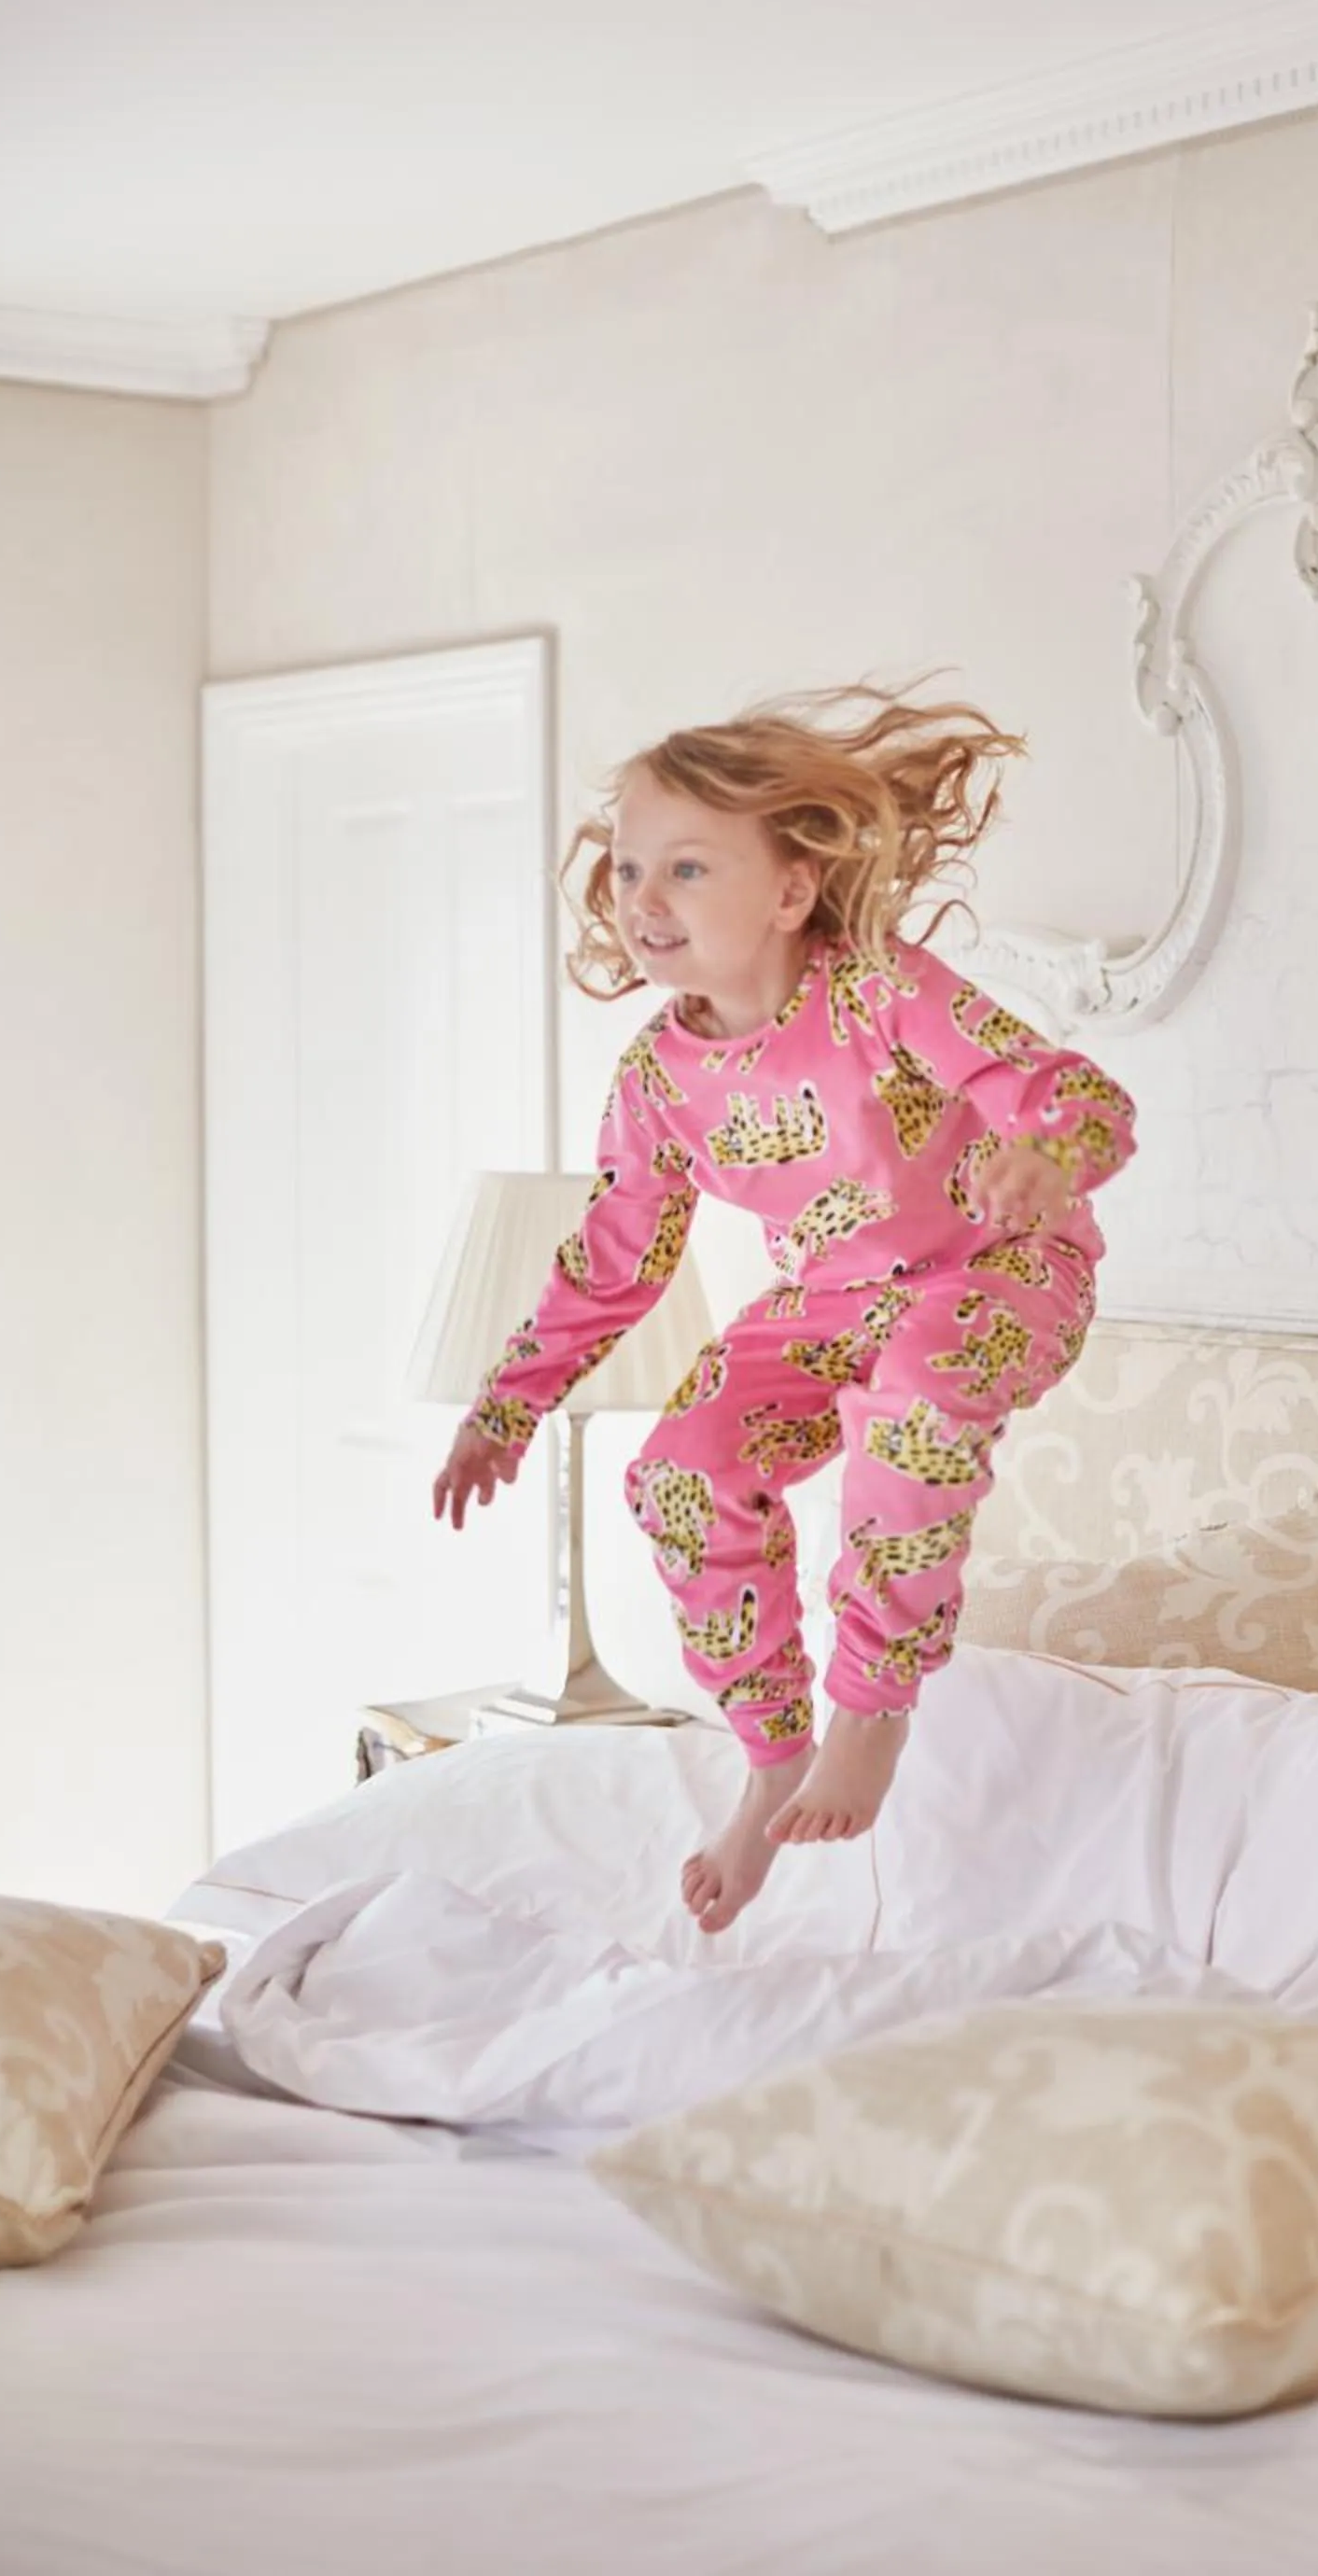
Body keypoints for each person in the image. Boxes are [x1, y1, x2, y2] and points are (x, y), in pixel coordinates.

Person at [432, 686, 1136, 1932]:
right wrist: (510, 1404)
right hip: (831, 1298)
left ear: (790, 892)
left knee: (912, 1407)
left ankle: (873, 1711)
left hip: (1002, 1268)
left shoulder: (877, 988)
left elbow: (1066, 1089)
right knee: (679, 1471)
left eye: (689, 867)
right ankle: (770, 1750)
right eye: (632, 866)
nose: (644, 897)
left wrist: (1047, 1157)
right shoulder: (658, 1075)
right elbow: (612, 1255)